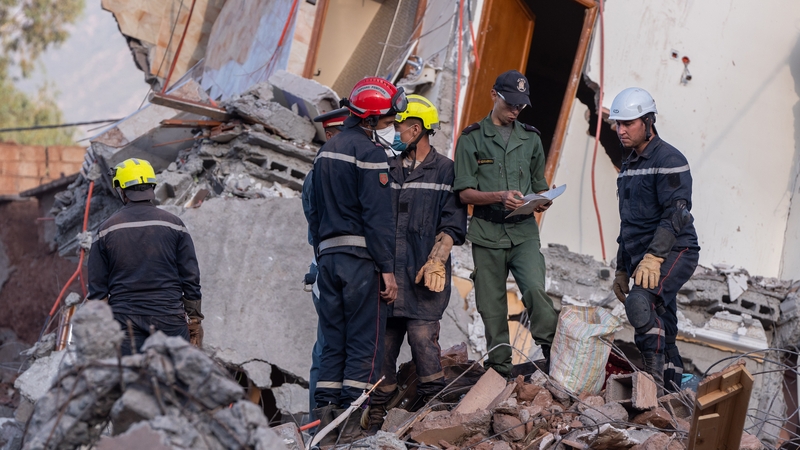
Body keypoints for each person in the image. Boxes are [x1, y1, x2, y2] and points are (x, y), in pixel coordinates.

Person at [307, 77, 404, 444]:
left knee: (333, 340)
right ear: (370, 119)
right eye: (388, 117)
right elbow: (378, 218)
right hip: (361, 261)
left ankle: (322, 422)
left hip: (329, 259)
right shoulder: (370, 154)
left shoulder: (325, 152)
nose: (390, 123)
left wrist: (322, 253)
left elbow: (314, 213)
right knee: (365, 340)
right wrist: (387, 270)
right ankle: (349, 425)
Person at [366, 95, 467, 431]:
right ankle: (379, 410)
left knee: (423, 340)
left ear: (418, 127)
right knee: (384, 346)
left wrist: (439, 257)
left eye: (400, 125)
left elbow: (453, 222)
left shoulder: (446, 170)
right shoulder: (389, 168)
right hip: (390, 275)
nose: (395, 130)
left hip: (424, 277)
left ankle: (432, 411)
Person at [453, 70, 559, 378]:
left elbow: (539, 184)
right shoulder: (472, 138)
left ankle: (555, 358)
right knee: (492, 307)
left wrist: (543, 198)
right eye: (510, 103)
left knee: (536, 292)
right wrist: (498, 196)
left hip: (523, 233)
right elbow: (463, 193)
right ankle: (498, 372)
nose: (515, 110)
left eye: (520, 106)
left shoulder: (532, 139)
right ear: (494, 95)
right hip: (486, 234)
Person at [609, 87, 700, 395]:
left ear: (648, 122)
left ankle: (652, 386)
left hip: (674, 249)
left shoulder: (670, 159)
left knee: (640, 303)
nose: (620, 130)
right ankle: (674, 395)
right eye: (618, 124)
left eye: (628, 124)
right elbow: (628, 224)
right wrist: (622, 268)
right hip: (641, 257)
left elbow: (676, 212)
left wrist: (654, 257)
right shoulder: (628, 166)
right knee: (664, 328)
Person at [88, 158, 203, 355]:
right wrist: (194, 318)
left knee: (131, 381)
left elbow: (98, 288)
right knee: (176, 381)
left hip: (124, 322)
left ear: (121, 190)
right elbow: (190, 276)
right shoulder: (174, 224)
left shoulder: (106, 229)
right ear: (151, 186)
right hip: (169, 319)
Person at [302, 107, 350, 414]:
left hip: (346, 271)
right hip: (332, 270)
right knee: (329, 350)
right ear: (331, 136)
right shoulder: (320, 176)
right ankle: (320, 425)